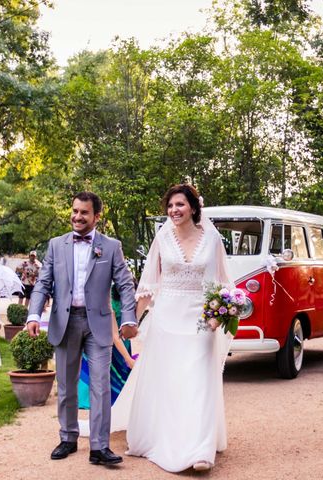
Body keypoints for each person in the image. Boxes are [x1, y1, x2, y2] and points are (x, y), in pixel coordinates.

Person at [110, 183, 235, 473]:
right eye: (170, 206)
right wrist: (132, 321)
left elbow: (224, 284)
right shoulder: (162, 238)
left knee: (199, 381)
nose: (174, 210)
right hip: (166, 318)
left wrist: (218, 315)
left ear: (193, 207)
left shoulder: (212, 239)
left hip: (202, 321)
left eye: (179, 204)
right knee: (171, 382)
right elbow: (148, 286)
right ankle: (166, 437)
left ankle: (201, 449)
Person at [26, 191, 138, 466]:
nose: (77, 216)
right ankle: (68, 438)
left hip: (98, 325)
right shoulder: (55, 245)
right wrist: (33, 314)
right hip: (64, 323)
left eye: (84, 212)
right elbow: (43, 283)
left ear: (96, 216)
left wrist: (129, 319)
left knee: (101, 386)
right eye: (75, 211)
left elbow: (124, 284)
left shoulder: (111, 246)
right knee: (66, 385)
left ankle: (99, 447)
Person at [78, 285, 136, 409]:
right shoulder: (107, 299)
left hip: (122, 338)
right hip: (104, 336)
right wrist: (128, 359)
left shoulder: (130, 298)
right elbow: (114, 335)